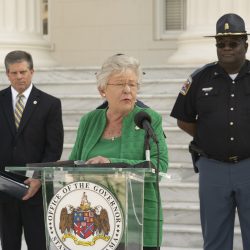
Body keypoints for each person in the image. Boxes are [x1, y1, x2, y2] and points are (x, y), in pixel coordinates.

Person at [69, 54, 168, 250]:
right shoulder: (89, 121)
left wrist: (110, 162)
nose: (128, 90)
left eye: (133, 84)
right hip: (96, 223)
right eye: (121, 84)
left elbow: (160, 166)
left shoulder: (149, 119)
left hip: (137, 219)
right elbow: (73, 165)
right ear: (102, 90)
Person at [171, 13, 250, 250]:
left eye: (233, 43)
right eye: (220, 43)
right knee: (215, 241)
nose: (226, 48)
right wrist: (209, 137)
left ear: (245, 43)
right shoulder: (199, 78)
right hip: (213, 169)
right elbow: (183, 120)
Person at [0, 50, 64, 250]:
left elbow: (54, 147)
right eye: (14, 73)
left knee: (38, 243)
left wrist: (38, 178)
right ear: (7, 74)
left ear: (32, 71)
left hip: (36, 187)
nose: (19, 77)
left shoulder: (50, 104)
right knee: (9, 243)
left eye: (23, 72)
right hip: (4, 188)